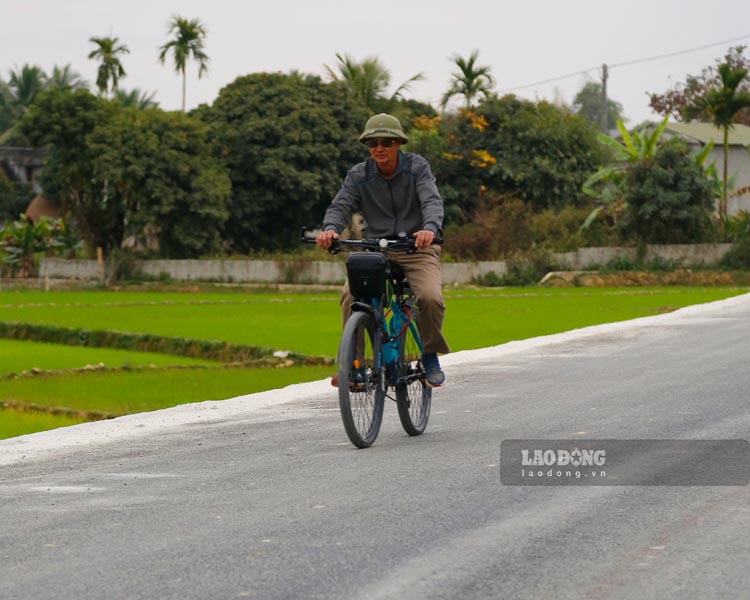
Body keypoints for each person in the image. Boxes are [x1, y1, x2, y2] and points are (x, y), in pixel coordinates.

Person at [316, 113, 449, 386]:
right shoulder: (358, 174)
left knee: (429, 297)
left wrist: (429, 229)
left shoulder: (417, 168)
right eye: (373, 143)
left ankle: (429, 353)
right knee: (350, 296)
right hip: (375, 250)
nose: (379, 148)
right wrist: (330, 228)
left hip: (417, 247)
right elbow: (340, 206)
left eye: (386, 142)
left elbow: (432, 202)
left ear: (398, 143)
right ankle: (352, 366)